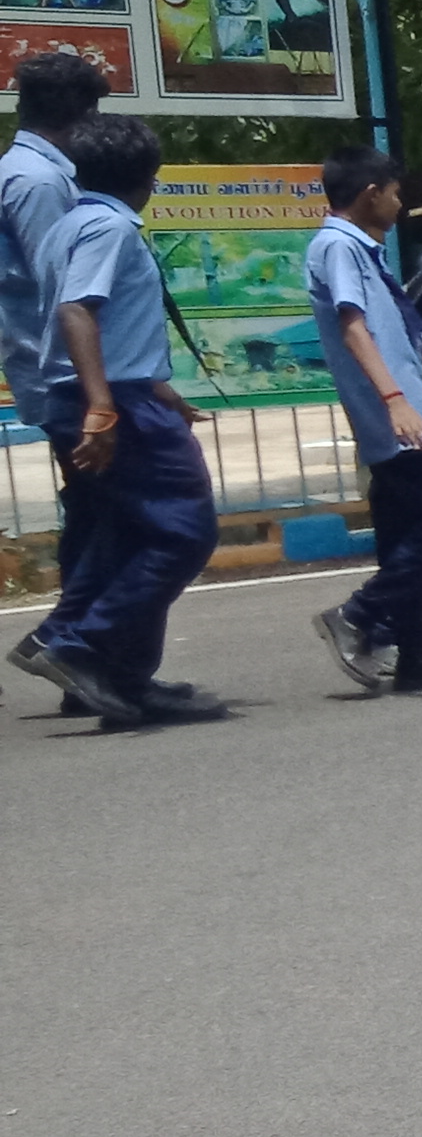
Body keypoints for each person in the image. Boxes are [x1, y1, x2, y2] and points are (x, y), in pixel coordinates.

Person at [20, 112, 227, 726]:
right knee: (185, 531)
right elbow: (79, 312)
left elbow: (113, 328)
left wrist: (163, 394)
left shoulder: (69, 225)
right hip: (113, 403)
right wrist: (106, 408)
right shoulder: (110, 228)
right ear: (149, 176)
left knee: (131, 537)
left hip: (114, 394)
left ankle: (127, 679)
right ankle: (83, 648)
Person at [301, 148, 422, 693]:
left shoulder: (361, 249)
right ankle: (359, 615)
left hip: (409, 407)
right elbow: (353, 326)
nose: (400, 201)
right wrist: (395, 401)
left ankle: (417, 651)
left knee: (406, 528)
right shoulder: (339, 246)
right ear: (370, 194)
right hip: (396, 418)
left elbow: (391, 332)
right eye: (394, 191)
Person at [4, 49, 115, 712]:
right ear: (81, 113)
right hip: (66, 378)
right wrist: (100, 395)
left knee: (94, 519)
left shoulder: (29, 172)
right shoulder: (41, 183)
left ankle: (83, 660)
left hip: (58, 375)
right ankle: (69, 643)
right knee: (115, 519)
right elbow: (64, 292)